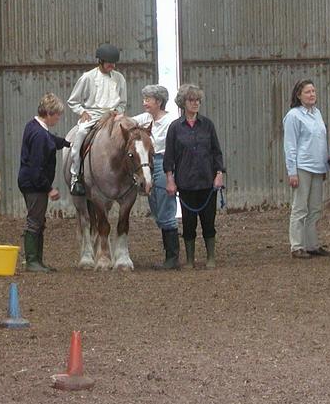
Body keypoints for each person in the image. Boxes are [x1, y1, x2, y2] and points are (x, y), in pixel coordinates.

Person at [164, 84, 225, 269]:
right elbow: (169, 157)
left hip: (207, 182)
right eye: (192, 100)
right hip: (186, 183)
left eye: (198, 100)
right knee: (188, 224)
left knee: (209, 221)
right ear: (183, 103)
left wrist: (219, 174)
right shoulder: (175, 128)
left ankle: (211, 256)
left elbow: (216, 152)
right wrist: (170, 179)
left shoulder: (208, 125)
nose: (196, 103)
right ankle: (189, 259)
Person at [17, 93, 70, 273]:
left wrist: (66, 143)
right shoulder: (39, 135)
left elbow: (51, 140)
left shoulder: (34, 127)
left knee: (38, 220)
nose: (58, 118)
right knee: (34, 221)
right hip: (34, 184)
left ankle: (37, 260)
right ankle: (32, 261)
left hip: (29, 182)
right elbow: (36, 166)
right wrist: (48, 189)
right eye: (57, 115)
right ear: (48, 113)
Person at [67, 44, 127, 196]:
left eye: (114, 63)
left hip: (113, 116)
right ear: (100, 61)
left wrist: (118, 112)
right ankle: (76, 175)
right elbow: (73, 101)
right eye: (109, 63)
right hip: (93, 115)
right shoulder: (87, 77)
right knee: (80, 135)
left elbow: (123, 103)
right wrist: (82, 112)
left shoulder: (119, 78)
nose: (112, 66)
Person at [133, 85, 179, 269]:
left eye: (148, 99)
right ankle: (170, 254)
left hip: (163, 161)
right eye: (144, 99)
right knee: (155, 205)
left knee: (165, 206)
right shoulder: (144, 119)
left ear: (158, 102)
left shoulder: (171, 121)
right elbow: (127, 122)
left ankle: (172, 257)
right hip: (148, 162)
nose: (144, 102)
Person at [283, 79, 330, 259]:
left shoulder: (317, 113)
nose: (312, 95)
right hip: (303, 166)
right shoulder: (294, 116)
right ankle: (297, 245)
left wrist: (324, 166)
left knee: (315, 208)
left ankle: (312, 244)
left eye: (313, 91)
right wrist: (292, 171)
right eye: (307, 92)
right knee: (300, 207)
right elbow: (290, 145)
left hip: (318, 167)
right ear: (298, 95)